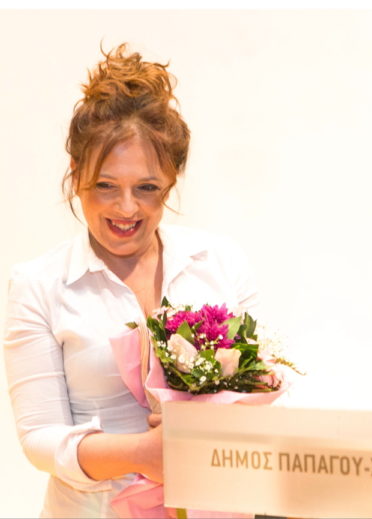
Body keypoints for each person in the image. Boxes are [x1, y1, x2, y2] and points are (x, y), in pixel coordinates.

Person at [4, 44, 262, 518]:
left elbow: (260, 392)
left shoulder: (218, 262)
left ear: (171, 181)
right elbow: (40, 439)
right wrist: (143, 454)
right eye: (106, 186)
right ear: (76, 175)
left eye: (147, 188)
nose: (126, 208)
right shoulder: (39, 285)